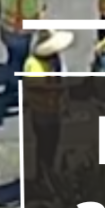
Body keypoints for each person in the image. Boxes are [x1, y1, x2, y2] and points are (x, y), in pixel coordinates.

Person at [23, 30, 74, 191]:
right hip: (42, 114)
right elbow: (33, 86)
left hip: (54, 111)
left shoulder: (54, 61)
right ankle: (43, 178)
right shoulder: (33, 65)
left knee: (51, 147)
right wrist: (57, 88)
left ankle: (47, 175)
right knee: (45, 147)